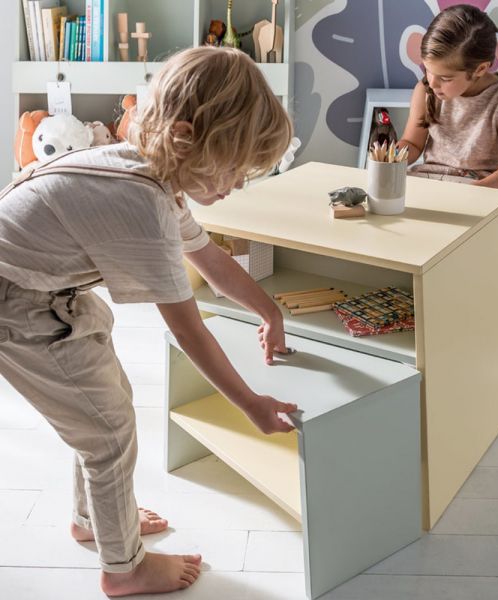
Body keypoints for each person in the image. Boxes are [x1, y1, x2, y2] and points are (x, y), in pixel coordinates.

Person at [0, 46, 297, 596]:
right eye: (234, 167)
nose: (235, 185)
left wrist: (269, 310)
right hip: (17, 305)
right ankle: (124, 568)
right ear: (187, 139)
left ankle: (93, 520)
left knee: (104, 411)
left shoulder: (150, 173)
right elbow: (189, 329)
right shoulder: (142, 204)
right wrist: (251, 404)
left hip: (42, 290)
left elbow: (209, 258)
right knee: (107, 432)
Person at [398, 3, 498, 190]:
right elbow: (412, 143)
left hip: (482, 188)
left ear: (480, 69)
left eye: (445, 78)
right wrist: (391, 157)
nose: (432, 83)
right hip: (430, 183)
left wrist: (472, 193)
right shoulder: (425, 90)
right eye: (428, 70)